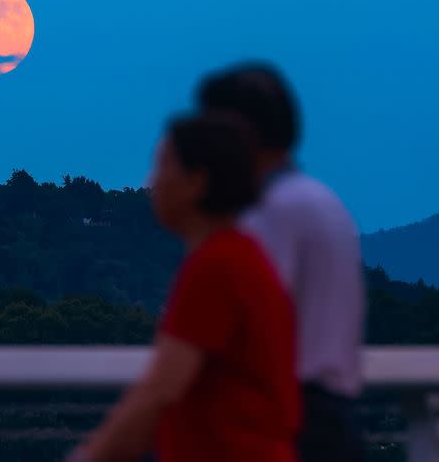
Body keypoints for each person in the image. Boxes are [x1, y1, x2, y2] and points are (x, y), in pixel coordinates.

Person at [70, 113, 299, 462]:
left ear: (197, 181)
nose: (152, 181)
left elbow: (159, 393)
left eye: (162, 167)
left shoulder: (216, 267)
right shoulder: (244, 256)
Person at [197, 62, 365, 462]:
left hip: (288, 422)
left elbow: (239, 324)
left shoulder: (270, 213)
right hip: (335, 415)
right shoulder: (322, 202)